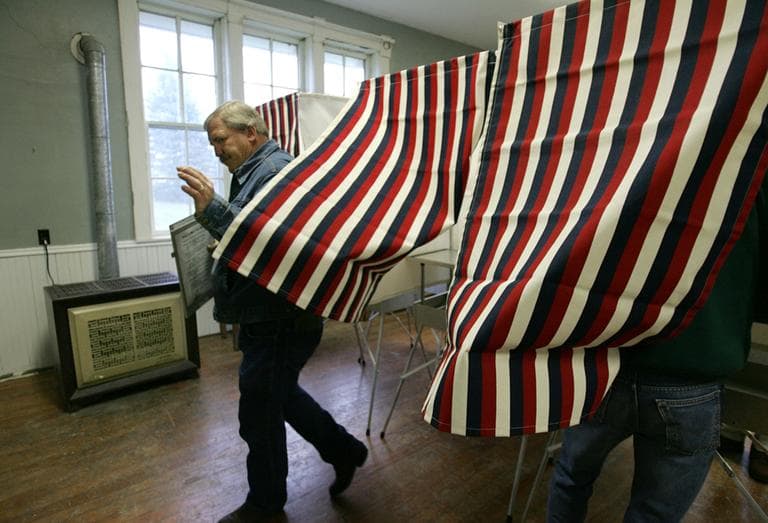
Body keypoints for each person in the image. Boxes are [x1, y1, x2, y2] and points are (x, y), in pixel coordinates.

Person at [177, 101, 368, 522]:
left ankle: (265, 507)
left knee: (258, 414)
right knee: (279, 398)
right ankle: (346, 451)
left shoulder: (274, 170)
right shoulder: (251, 173)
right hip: (270, 315)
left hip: (279, 319)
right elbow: (259, 235)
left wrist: (211, 210)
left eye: (221, 139)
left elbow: (266, 240)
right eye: (212, 142)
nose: (216, 150)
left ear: (251, 132)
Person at [547, 174, 768, 522]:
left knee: (571, 478)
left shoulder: (626, 152)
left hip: (608, 364)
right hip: (693, 367)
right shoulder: (750, 165)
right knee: (654, 513)